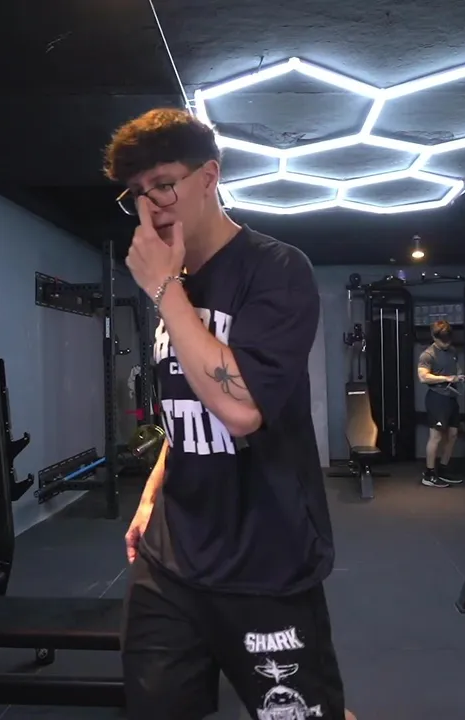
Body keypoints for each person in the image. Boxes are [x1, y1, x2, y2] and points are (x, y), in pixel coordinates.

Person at [105, 108, 352, 720]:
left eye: (164, 184)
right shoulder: (173, 283)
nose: (151, 207)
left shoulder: (276, 269)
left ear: (209, 176)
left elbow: (240, 409)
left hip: (265, 557)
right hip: (171, 558)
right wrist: (153, 491)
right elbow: (184, 407)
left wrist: (164, 290)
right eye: (137, 194)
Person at [417, 319, 465, 488]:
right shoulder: (428, 354)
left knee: (453, 434)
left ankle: (443, 469)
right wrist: (447, 378)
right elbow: (423, 377)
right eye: (442, 340)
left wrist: (459, 375)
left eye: (448, 340)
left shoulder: (452, 350)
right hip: (437, 399)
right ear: (434, 337)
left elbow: (455, 367)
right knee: (436, 437)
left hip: (451, 398)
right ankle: (429, 474)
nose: (445, 343)